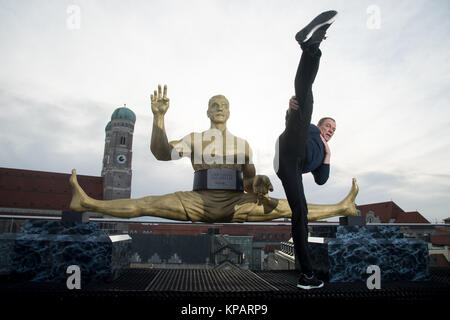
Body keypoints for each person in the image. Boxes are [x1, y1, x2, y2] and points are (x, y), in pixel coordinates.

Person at [70, 84, 358, 222]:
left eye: (224, 105)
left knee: (289, 206)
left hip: (237, 203)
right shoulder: (195, 139)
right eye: (214, 105)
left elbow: (249, 183)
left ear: (229, 112)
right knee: (147, 203)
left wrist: (258, 184)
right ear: (207, 111)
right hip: (198, 201)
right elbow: (161, 153)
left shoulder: (243, 145)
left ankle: (342, 207)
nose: (219, 108)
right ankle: (87, 203)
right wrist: (159, 119)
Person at [275, 10, 339, 290]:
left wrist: (327, 155)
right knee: (305, 96)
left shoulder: (323, 150)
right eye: (328, 126)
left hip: (294, 166)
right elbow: (295, 126)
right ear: (320, 124)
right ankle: (311, 47)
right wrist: (291, 112)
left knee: (300, 212)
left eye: (333, 130)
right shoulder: (312, 128)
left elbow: (322, 180)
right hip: (292, 143)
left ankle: (307, 276)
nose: (330, 130)